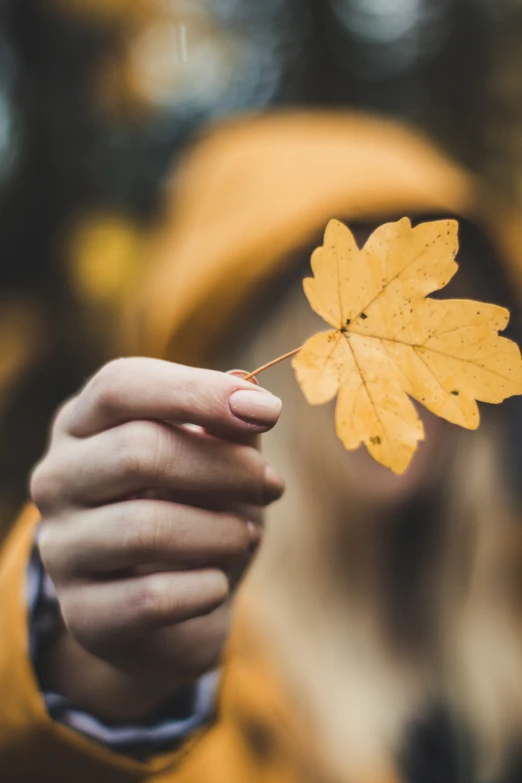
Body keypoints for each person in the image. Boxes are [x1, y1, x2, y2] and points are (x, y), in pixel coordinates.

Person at [2, 111, 522, 783]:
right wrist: (83, 661)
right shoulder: (205, 660)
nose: (419, 393)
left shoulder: (501, 603)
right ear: (257, 345)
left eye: (455, 295)